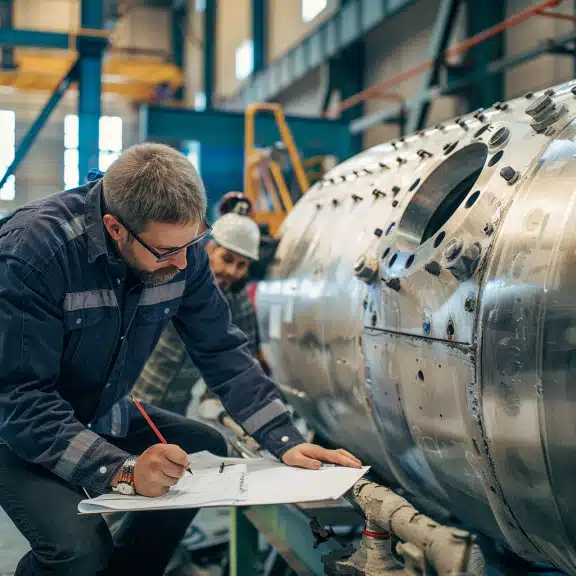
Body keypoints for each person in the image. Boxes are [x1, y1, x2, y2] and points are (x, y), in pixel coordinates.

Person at [0, 142, 361, 576]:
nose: (186, 261)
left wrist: (283, 438)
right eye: (167, 252)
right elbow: (19, 398)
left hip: (95, 409)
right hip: (17, 425)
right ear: (116, 229)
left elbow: (219, 345)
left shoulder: (178, 251)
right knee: (78, 551)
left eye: (194, 242)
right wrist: (123, 470)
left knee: (203, 446)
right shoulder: (34, 254)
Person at [132, 195, 262, 416]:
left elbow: (241, 357)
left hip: (177, 404)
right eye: (227, 259)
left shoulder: (238, 303)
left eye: (242, 265)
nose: (232, 271)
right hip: (134, 395)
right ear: (210, 249)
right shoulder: (171, 276)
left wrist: (213, 398)